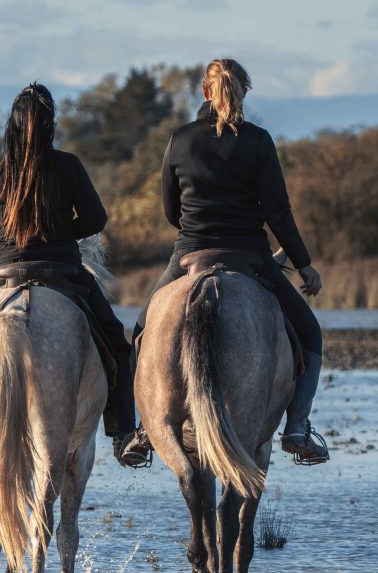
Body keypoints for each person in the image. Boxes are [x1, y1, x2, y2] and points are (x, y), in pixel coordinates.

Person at [132, 59, 329, 464]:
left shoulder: (179, 140)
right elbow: (279, 213)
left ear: (205, 92)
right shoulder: (258, 141)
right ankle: (297, 428)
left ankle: (144, 428)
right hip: (250, 259)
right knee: (309, 335)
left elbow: (172, 211)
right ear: (242, 93)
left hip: (189, 256)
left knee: (139, 331)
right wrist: (303, 263)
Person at [0, 83, 150, 468]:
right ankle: (123, 432)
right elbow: (96, 219)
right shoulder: (68, 165)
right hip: (63, 272)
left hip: (5, 272)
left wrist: (10, 237)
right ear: (49, 125)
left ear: (12, 123)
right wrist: (57, 233)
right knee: (117, 344)